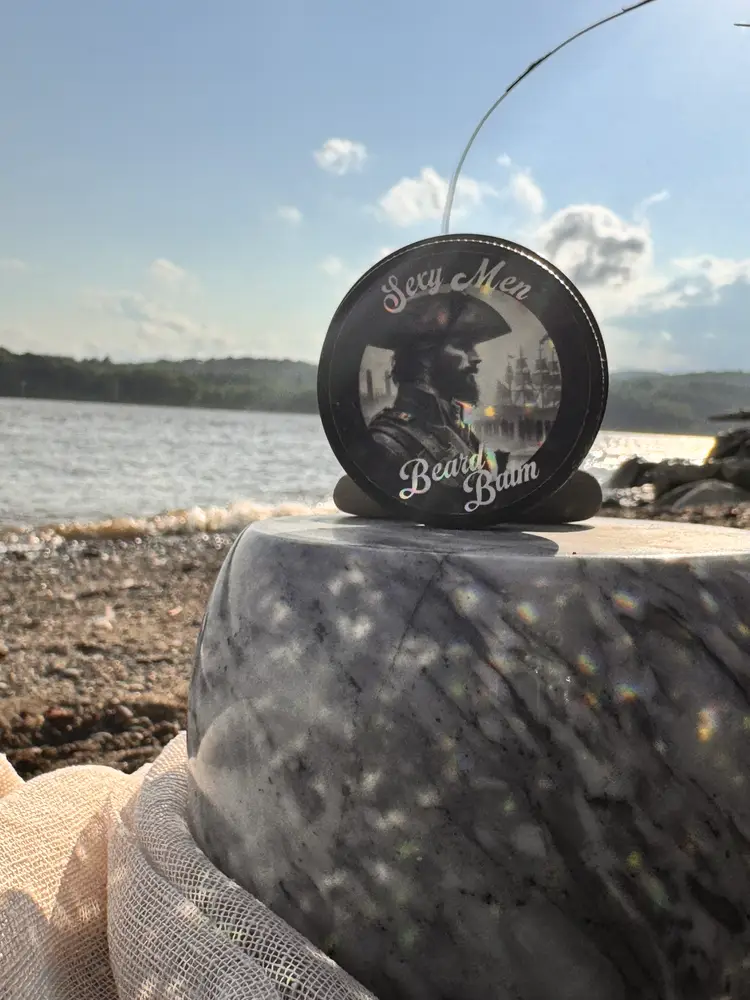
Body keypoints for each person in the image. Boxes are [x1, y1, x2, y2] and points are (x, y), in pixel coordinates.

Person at [367, 290, 511, 480]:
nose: (476, 358)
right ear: (424, 356)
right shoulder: (388, 442)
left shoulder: (458, 430)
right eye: (462, 345)